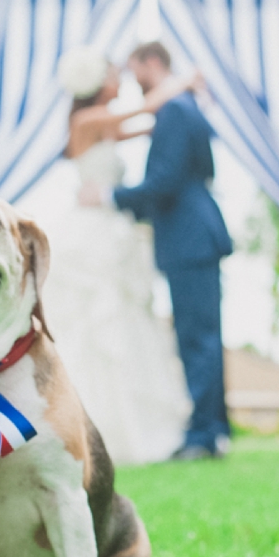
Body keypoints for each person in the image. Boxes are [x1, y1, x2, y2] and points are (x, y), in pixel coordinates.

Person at [81, 41, 232, 460]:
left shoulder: (175, 109)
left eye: (135, 72)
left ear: (152, 63)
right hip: (192, 237)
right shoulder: (181, 106)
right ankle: (214, 427)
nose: (132, 82)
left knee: (196, 338)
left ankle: (204, 434)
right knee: (201, 335)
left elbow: (163, 181)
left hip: (190, 238)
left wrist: (111, 196)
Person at [43, 46, 193, 465]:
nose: (120, 80)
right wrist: (180, 82)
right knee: (92, 325)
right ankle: (86, 426)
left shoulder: (103, 125)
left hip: (112, 230)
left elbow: (143, 127)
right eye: (113, 74)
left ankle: (134, 426)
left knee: (125, 323)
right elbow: (142, 111)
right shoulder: (88, 119)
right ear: (95, 83)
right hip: (90, 234)